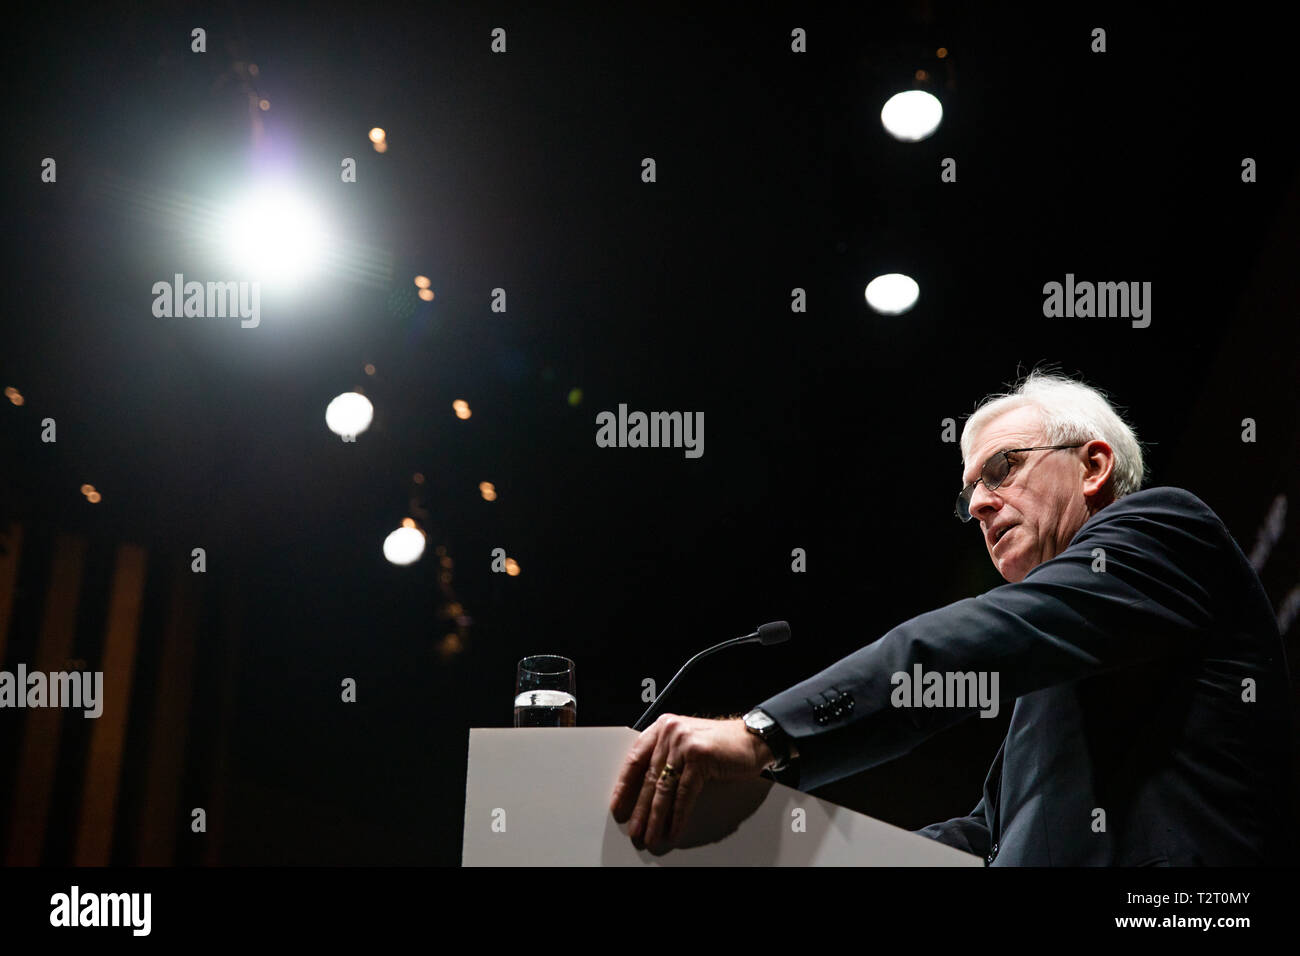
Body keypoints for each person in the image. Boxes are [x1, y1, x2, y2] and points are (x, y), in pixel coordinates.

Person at [609, 370, 1294, 864]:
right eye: (970, 496)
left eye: (1005, 468)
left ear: (1092, 465)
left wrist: (764, 735)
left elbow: (967, 643)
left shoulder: (1168, 531)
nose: (982, 506)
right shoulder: (1053, 676)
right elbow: (990, 837)